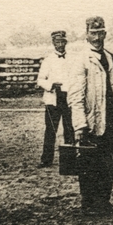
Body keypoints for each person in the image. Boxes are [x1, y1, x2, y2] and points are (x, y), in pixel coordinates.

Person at [67, 16, 113, 215]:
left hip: (108, 119)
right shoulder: (81, 59)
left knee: (110, 162)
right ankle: (88, 204)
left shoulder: (108, 57)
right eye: (93, 33)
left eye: (100, 33)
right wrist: (80, 125)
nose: (97, 38)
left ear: (105, 34)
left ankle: (103, 202)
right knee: (89, 163)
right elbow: (75, 96)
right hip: (91, 120)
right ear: (86, 35)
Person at [35, 29, 74, 168]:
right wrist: (51, 85)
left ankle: (69, 161)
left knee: (69, 129)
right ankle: (46, 160)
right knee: (51, 130)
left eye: (63, 42)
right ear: (53, 43)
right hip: (53, 98)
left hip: (68, 98)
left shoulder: (73, 59)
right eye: (57, 42)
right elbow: (40, 80)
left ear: (66, 42)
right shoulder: (48, 60)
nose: (60, 45)